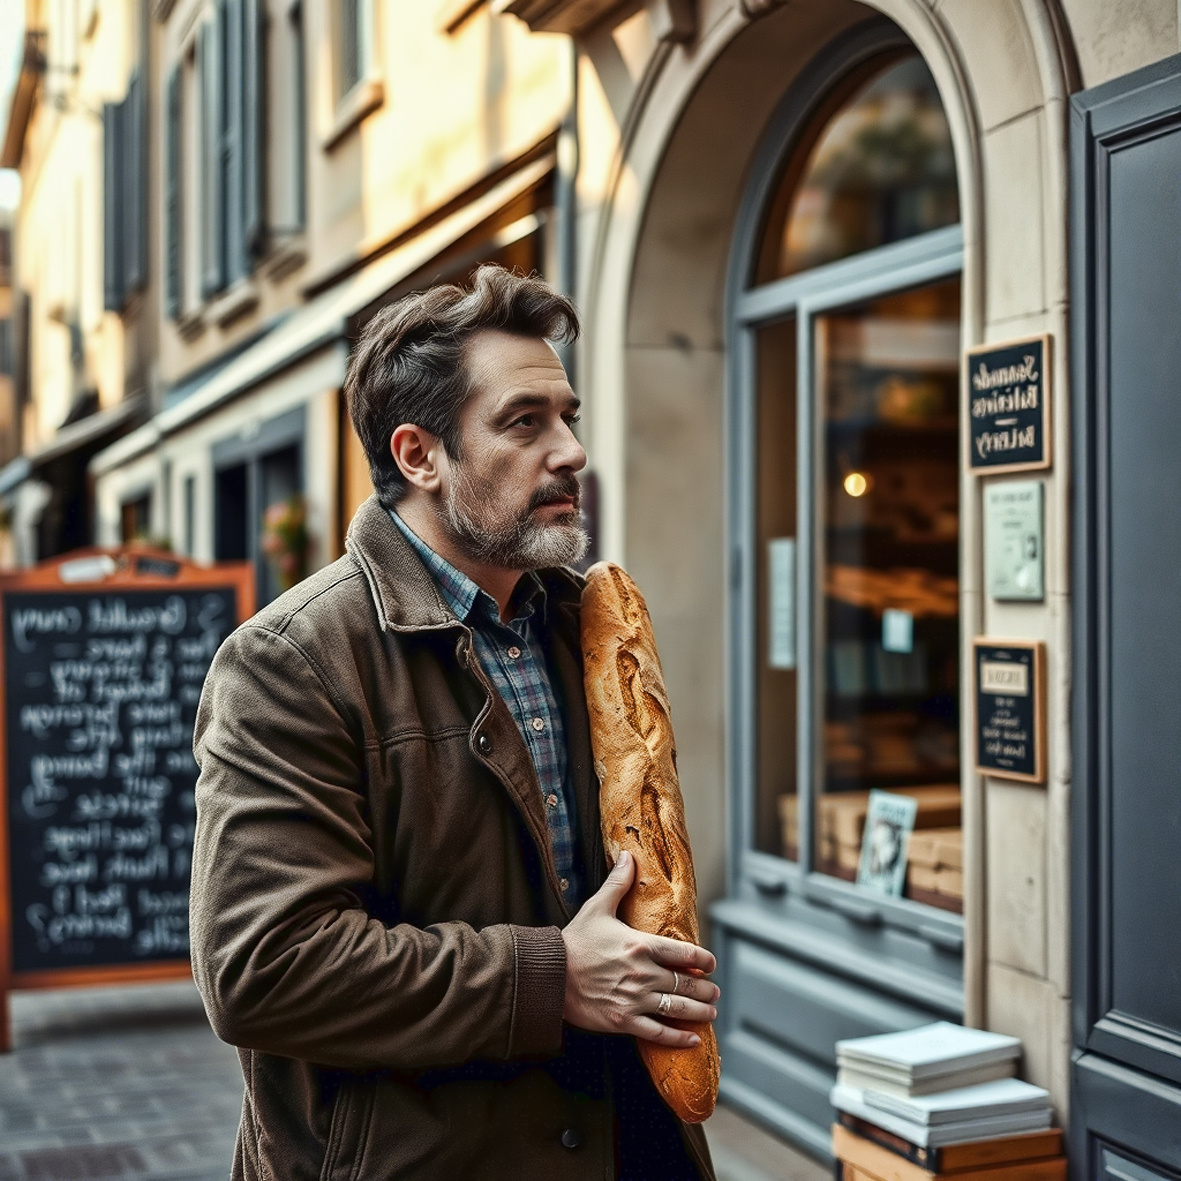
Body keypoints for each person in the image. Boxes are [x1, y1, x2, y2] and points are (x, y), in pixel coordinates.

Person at [189, 265, 719, 1180]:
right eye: (524, 422)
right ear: (419, 454)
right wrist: (555, 977)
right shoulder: (293, 660)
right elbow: (262, 967)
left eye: (568, 416)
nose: (571, 451)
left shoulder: (584, 628)